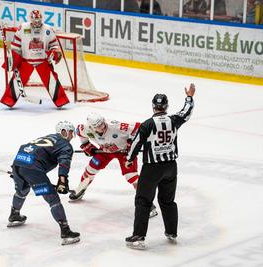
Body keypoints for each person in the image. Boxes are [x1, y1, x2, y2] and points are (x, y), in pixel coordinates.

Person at [125, 84, 195, 250]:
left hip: (152, 169)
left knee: (143, 201)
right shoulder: (173, 120)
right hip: (171, 167)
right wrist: (189, 97)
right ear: (166, 106)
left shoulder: (147, 125)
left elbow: (136, 143)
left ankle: (139, 237)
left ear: (153, 106)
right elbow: (187, 111)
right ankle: (171, 232)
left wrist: (129, 159)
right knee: (167, 201)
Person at [69, 113, 158, 218]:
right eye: (98, 126)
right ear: (92, 127)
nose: (102, 126)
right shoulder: (84, 128)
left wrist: (130, 143)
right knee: (90, 170)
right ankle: (80, 189)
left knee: (132, 177)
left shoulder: (116, 126)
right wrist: (88, 147)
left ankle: (148, 205)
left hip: (124, 152)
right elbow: (80, 133)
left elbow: (138, 127)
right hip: (104, 151)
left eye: (102, 123)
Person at [7, 121, 80, 245]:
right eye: (71, 133)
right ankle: (65, 232)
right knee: (52, 199)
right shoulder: (65, 145)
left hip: (18, 162)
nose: (72, 136)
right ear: (64, 131)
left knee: (22, 190)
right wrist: (63, 181)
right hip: (32, 169)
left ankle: (14, 215)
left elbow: (26, 147)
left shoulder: (49, 137)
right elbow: (64, 162)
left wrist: (19, 169)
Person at [0, 10, 70, 108]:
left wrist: (54, 52)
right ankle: (9, 100)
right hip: (26, 61)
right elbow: (16, 45)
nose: (37, 23)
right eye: (35, 20)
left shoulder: (48, 29)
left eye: (39, 20)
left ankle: (60, 100)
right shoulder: (23, 28)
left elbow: (54, 44)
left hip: (42, 61)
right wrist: (13, 58)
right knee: (17, 81)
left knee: (52, 81)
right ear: (30, 19)